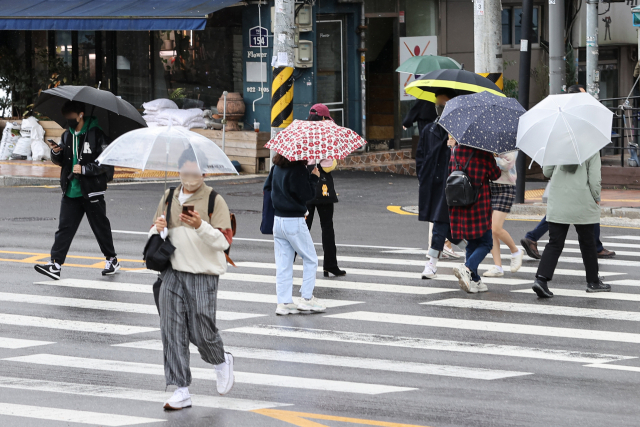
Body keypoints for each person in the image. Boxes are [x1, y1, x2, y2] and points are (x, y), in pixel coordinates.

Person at [150, 150, 235, 410]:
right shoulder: (168, 196)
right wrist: (159, 227)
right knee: (171, 330)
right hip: (172, 272)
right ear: (178, 171)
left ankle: (221, 360)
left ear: (204, 173)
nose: (189, 178)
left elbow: (224, 241)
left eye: (195, 173)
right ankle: (181, 388)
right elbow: (154, 230)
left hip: (203, 274)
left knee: (202, 331)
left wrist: (199, 225)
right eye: (185, 172)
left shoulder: (213, 200)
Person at [520, 84, 616, 260]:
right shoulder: (582, 131)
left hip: (560, 186)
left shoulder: (558, 130)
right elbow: (593, 174)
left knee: (558, 216)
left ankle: (533, 237)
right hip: (579, 189)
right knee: (587, 210)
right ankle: (595, 249)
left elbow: (547, 170)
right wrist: (596, 195)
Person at [34, 100, 119, 280]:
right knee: (64, 228)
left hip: (91, 190)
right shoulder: (67, 136)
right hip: (71, 189)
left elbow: (106, 162)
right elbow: (61, 160)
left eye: (71, 117)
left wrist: (85, 169)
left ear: (80, 114)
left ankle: (111, 259)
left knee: (100, 227)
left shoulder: (97, 134)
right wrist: (56, 152)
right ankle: (55, 265)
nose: (68, 121)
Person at [532, 153, 612, 298]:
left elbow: (547, 172)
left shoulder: (557, 146)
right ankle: (593, 282)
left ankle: (541, 279)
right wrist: (597, 198)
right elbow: (594, 179)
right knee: (588, 242)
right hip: (582, 200)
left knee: (554, 243)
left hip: (558, 201)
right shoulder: (591, 149)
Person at [264, 153, 326, 315]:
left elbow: (268, 188)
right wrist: (313, 178)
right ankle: (306, 298)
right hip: (294, 221)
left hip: (278, 220)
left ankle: (284, 302)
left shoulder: (276, 168)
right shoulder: (298, 169)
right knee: (310, 258)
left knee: (284, 263)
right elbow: (307, 195)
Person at [415, 88, 467, 279]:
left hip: (453, 184)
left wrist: (454, 148)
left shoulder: (459, 131)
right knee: (446, 224)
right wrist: (423, 176)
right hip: (434, 184)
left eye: (443, 104)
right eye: (437, 103)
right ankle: (469, 249)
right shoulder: (430, 129)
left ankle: (432, 264)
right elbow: (420, 155)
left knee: (439, 223)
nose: (439, 107)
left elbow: (467, 159)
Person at [449, 141, 502, 293]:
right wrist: (493, 158)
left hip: (459, 202)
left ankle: (475, 280)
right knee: (486, 243)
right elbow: (495, 175)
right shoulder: (484, 153)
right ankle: (467, 267)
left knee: (472, 243)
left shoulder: (455, 151)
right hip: (479, 204)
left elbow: (451, 172)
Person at [304, 104, 346, 277]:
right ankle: (330, 264)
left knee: (302, 227)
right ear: (323, 118)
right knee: (327, 227)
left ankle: (290, 262)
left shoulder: (303, 133)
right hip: (323, 187)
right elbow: (328, 166)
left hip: (306, 185)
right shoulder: (327, 135)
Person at [483, 152, 523, 277]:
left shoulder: (507, 141)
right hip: (489, 186)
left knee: (496, 228)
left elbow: (508, 163)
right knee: (490, 229)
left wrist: (489, 159)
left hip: (506, 187)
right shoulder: (485, 143)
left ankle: (515, 251)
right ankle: (498, 266)